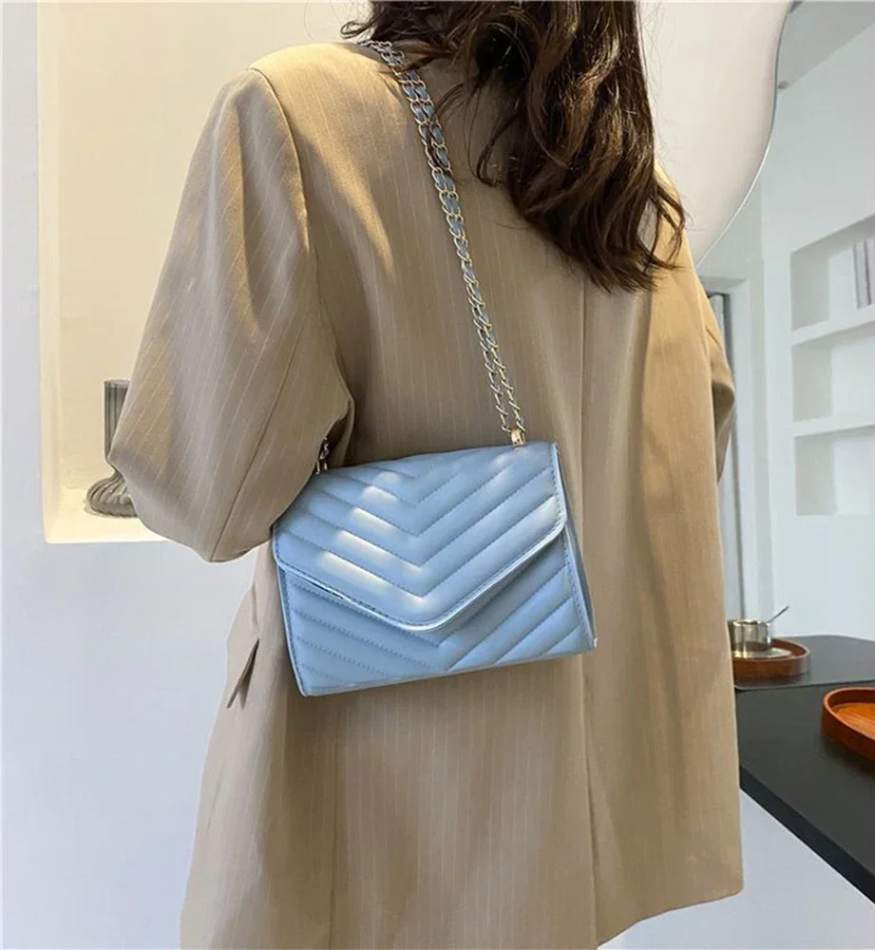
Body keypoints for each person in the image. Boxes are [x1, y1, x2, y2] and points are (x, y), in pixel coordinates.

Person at [108, 3, 742, 947]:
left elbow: (204, 497)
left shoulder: (296, 115)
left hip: (379, 824)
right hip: (576, 822)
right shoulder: (639, 200)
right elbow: (699, 441)